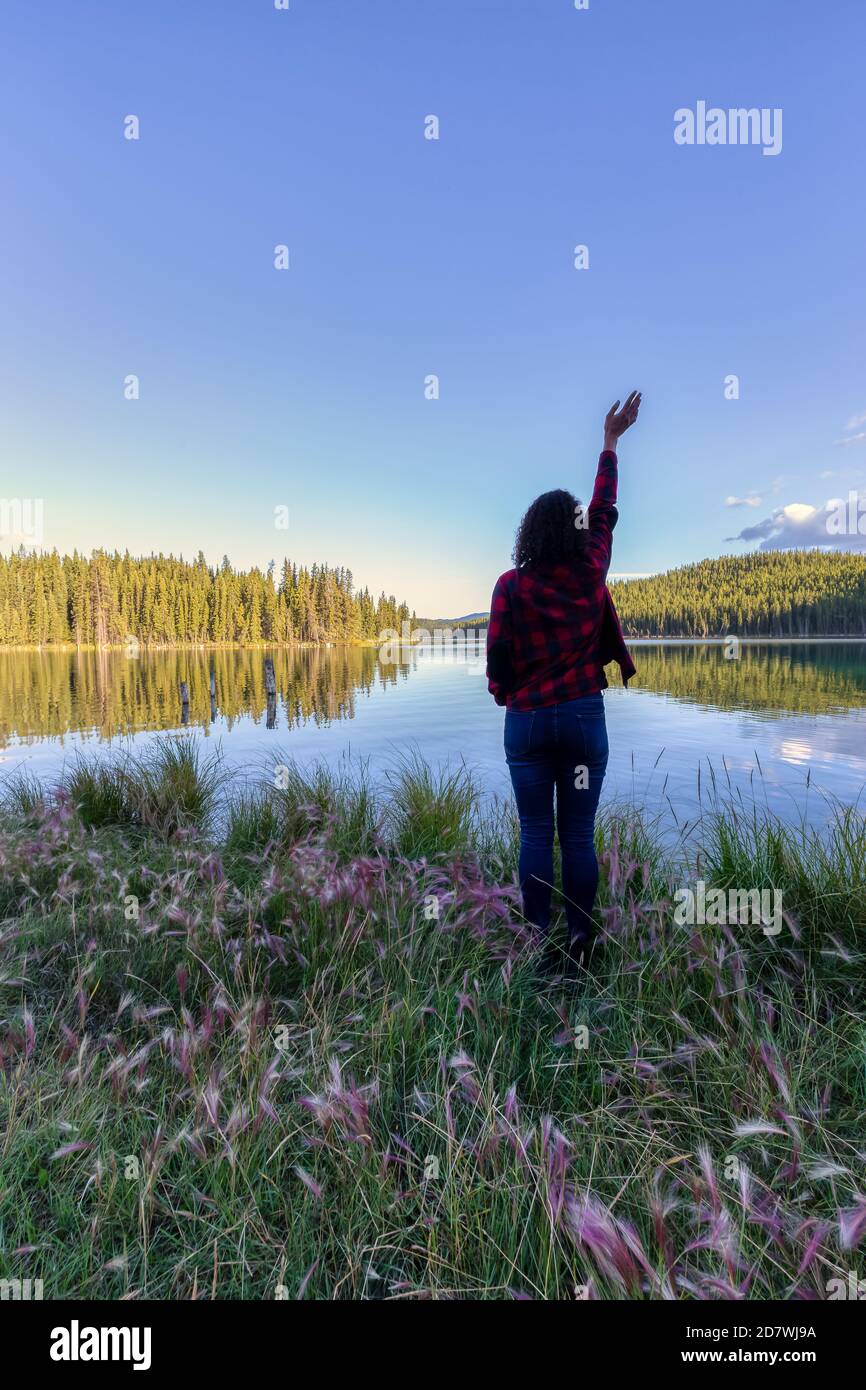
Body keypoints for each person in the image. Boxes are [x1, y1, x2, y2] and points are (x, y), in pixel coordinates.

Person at [486, 393, 641, 969]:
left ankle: (536, 938)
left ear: (529, 533)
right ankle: (580, 939)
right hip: (580, 718)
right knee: (577, 835)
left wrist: (510, 699)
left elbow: (498, 662)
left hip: (526, 722)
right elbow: (603, 509)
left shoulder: (509, 586)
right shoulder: (589, 571)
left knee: (533, 831)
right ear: (574, 533)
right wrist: (610, 443)